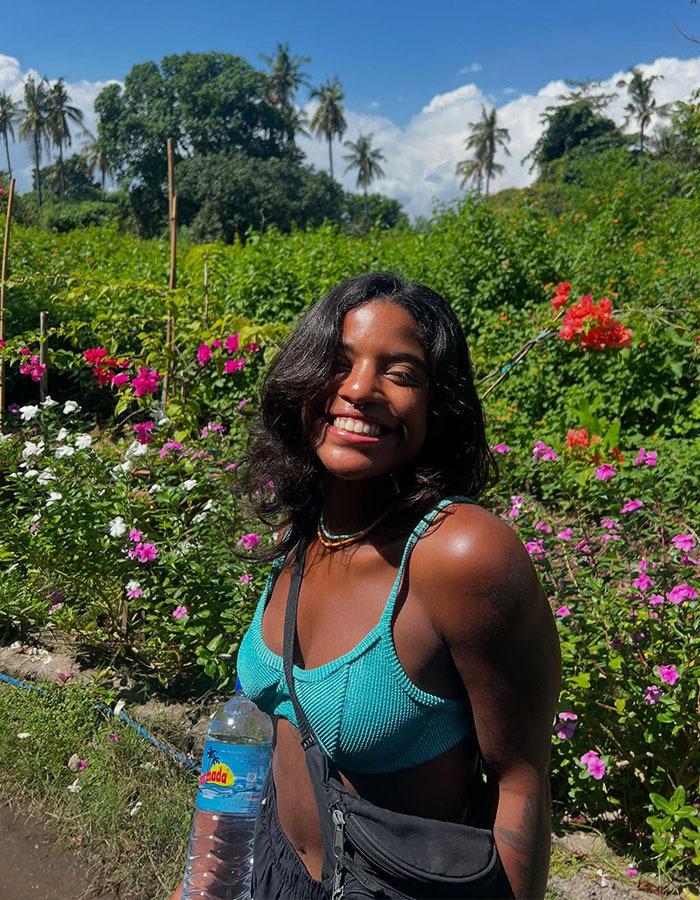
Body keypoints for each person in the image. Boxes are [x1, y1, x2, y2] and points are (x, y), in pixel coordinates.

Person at [170, 272, 561, 900]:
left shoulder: (459, 556)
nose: (358, 390)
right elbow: (256, 741)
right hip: (270, 869)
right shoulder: (311, 529)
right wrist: (208, 880)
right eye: (338, 362)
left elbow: (521, 781)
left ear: (439, 406)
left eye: (400, 373)